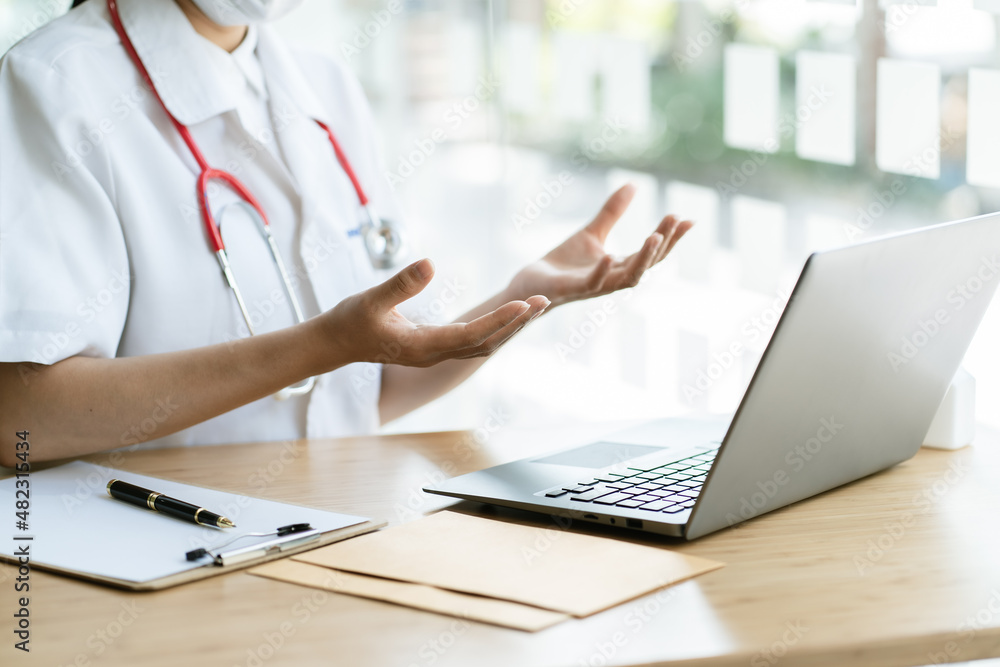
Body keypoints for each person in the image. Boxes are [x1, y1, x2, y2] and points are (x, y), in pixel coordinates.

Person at [0, 0, 692, 467]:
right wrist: (319, 346)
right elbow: (22, 417)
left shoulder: (322, 87)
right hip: (150, 564)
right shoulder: (56, 85)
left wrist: (522, 295)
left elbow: (366, 391)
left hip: (334, 537)